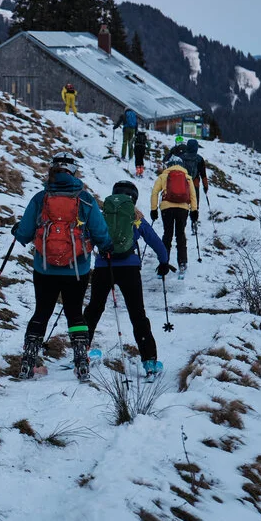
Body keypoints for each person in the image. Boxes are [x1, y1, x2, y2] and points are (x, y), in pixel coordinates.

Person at [12, 152, 112, 380]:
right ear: (74, 173)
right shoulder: (85, 199)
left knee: (42, 311)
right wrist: (107, 245)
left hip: (44, 268)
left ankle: (28, 362)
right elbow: (99, 232)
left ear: (52, 172)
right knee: (75, 313)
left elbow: (25, 234)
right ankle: (81, 362)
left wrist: (17, 231)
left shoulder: (40, 198)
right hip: (77, 268)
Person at [86, 181, 171, 379]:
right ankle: (149, 361)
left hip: (102, 266)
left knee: (94, 309)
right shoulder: (136, 218)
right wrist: (164, 261)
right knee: (137, 314)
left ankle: (82, 351)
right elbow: (156, 242)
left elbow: (89, 236)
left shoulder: (103, 215)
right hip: (129, 268)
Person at [150, 156, 198, 276]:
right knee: (180, 235)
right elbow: (193, 195)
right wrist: (194, 210)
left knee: (167, 234)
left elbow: (154, 192)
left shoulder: (163, 176)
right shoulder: (187, 177)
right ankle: (182, 263)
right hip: (183, 209)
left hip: (167, 208)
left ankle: (164, 262)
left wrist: (154, 209)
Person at [163, 137, 209, 207]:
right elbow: (203, 175)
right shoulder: (199, 159)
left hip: (183, 182)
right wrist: (205, 187)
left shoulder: (181, 157)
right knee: (195, 202)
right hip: (195, 183)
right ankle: (195, 210)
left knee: (183, 201)